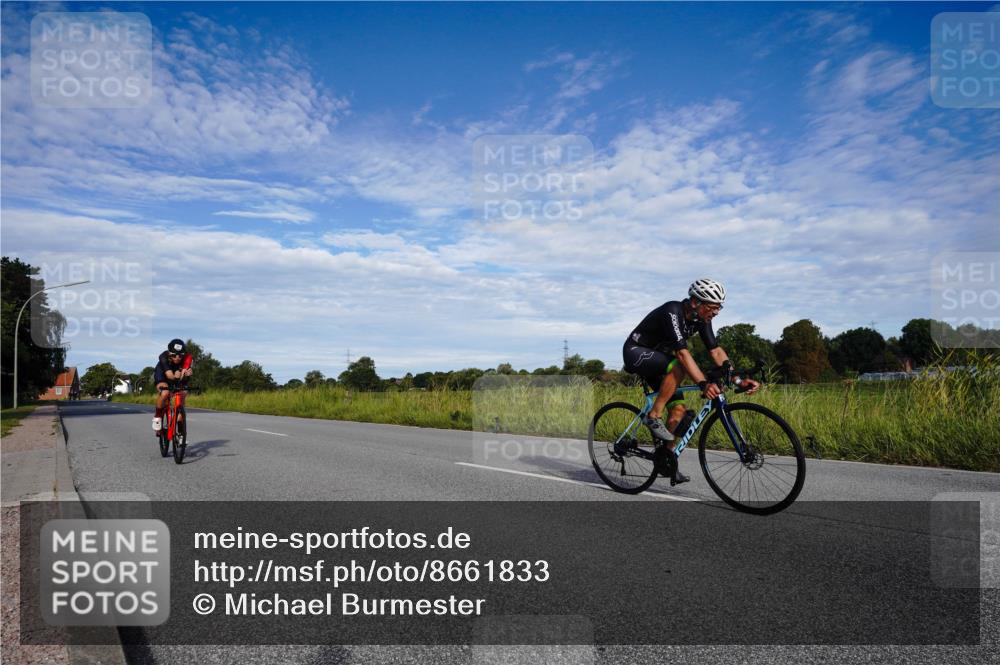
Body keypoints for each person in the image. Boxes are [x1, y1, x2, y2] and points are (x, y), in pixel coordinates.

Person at [622, 278, 760, 484]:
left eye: (719, 308)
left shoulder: (701, 320)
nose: (716, 312)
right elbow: (683, 355)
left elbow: (715, 351)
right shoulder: (673, 311)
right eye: (712, 307)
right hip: (636, 352)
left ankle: (667, 461)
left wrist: (739, 380)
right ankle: (653, 415)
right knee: (679, 365)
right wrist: (704, 384)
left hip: (662, 364)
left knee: (679, 412)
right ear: (696, 302)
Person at [152, 338, 193, 434]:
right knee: (165, 392)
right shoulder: (163, 356)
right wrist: (176, 376)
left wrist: (188, 373)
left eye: (180, 355)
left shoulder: (188, 357)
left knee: (183, 393)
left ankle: (180, 426)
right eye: (174, 355)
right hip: (163, 374)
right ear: (169, 353)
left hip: (177, 376)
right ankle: (157, 417)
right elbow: (169, 375)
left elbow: (185, 374)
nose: (177, 357)